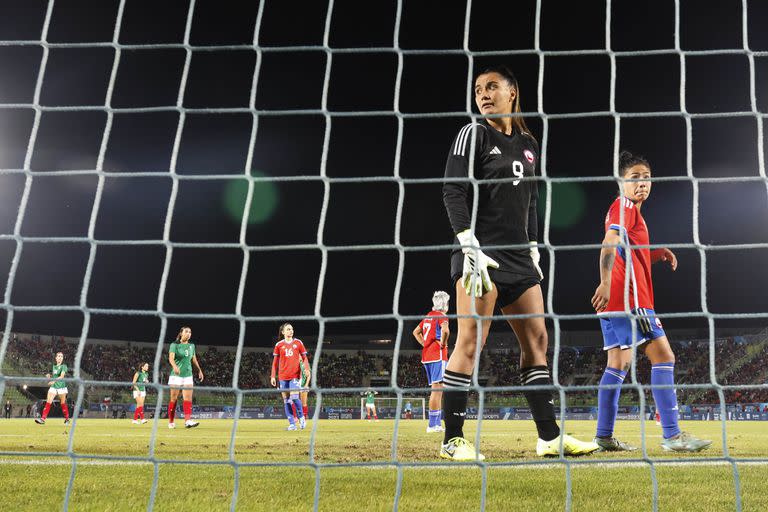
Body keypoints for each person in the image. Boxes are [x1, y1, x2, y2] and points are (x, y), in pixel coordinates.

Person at [440, 65, 598, 460]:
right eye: (478, 89)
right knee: (470, 342)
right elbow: (452, 190)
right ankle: (452, 440)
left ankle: (549, 437)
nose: (483, 94)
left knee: (538, 341)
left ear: (513, 92)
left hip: (518, 259)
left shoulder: (529, 142)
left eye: (492, 86)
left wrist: (532, 246)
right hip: (480, 256)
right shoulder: (472, 133)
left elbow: (530, 199)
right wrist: (467, 243)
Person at [591, 150, 711, 452]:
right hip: (630, 301)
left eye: (646, 178)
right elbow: (610, 243)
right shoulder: (625, 207)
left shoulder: (628, 211)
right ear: (621, 182)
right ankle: (672, 435)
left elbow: (628, 253)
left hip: (615, 301)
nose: (642, 183)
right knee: (664, 357)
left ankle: (603, 436)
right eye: (634, 178)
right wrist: (605, 283)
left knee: (617, 365)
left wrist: (656, 254)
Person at [413, 290, 451, 432]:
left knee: (436, 390)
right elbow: (445, 331)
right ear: (444, 303)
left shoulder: (428, 316)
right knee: (437, 391)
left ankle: (436, 424)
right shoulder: (442, 316)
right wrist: (443, 343)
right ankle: (432, 425)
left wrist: (425, 344)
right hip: (438, 356)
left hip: (427, 356)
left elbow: (415, 332)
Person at [270, 323, 310, 431]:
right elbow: (274, 363)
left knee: (295, 397)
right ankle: (292, 424)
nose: (291, 331)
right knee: (286, 400)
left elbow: (305, 358)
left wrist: (306, 368)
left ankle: (301, 417)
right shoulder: (279, 345)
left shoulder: (298, 343)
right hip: (283, 377)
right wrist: (273, 376)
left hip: (294, 376)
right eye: (288, 329)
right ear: (283, 332)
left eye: (292, 329)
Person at [167, 326, 204, 429]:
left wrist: (199, 370)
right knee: (174, 399)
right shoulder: (174, 345)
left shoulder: (192, 346)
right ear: (181, 334)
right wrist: (174, 366)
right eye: (186, 332)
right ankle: (171, 421)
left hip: (188, 375)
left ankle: (188, 421)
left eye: (190, 332)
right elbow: (171, 358)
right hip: (176, 376)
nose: (189, 334)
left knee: (187, 398)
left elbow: (194, 359)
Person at [34, 352, 71, 425]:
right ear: (56, 358)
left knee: (63, 403)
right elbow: (54, 376)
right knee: (48, 402)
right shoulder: (54, 366)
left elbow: (62, 376)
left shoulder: (64, 366)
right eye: (59, 356)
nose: (60, 357)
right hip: (54, 386)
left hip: (61, 386)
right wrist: (49, 376)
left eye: (61, 356)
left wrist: (53, 381)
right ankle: (43, 419)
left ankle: (67, 419)